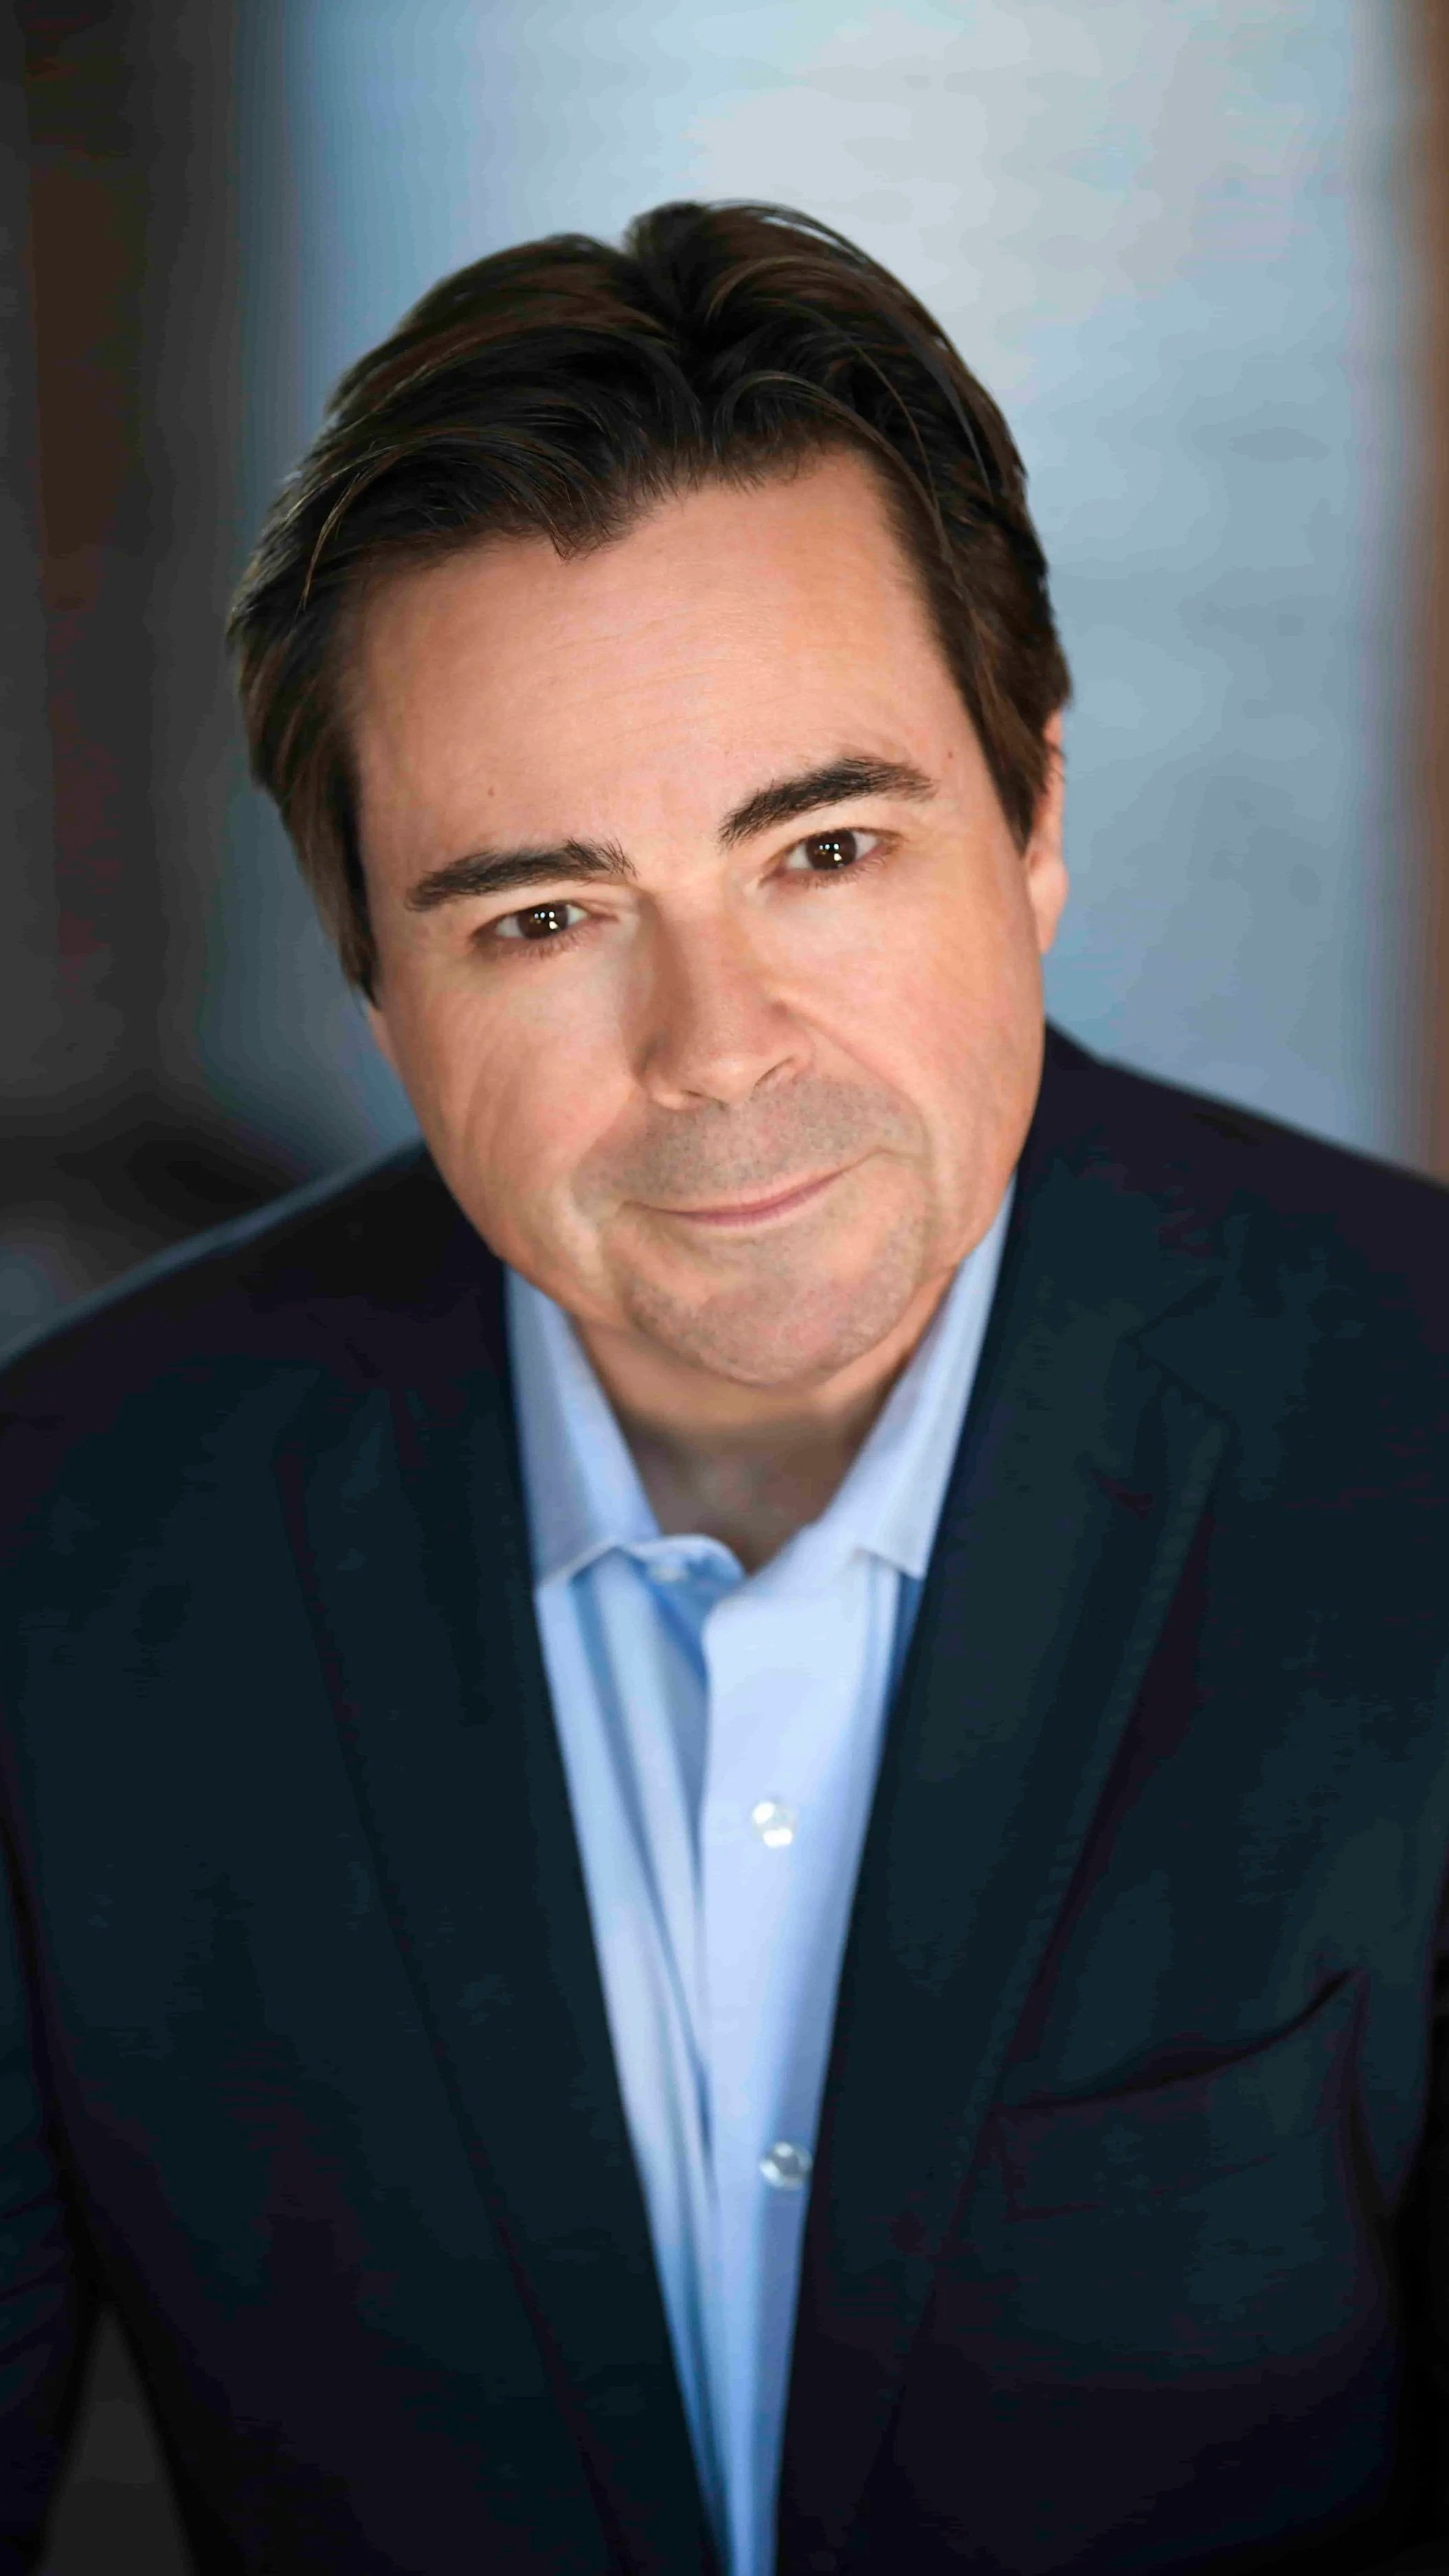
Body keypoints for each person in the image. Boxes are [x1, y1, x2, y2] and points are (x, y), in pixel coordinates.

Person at [0, 199, 1444, 2576]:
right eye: (545, 919)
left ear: (1038, 821)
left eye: (830, 847)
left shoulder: (1426, 1446)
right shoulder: (65, 1553)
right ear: (376, 980)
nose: (716, 1054)